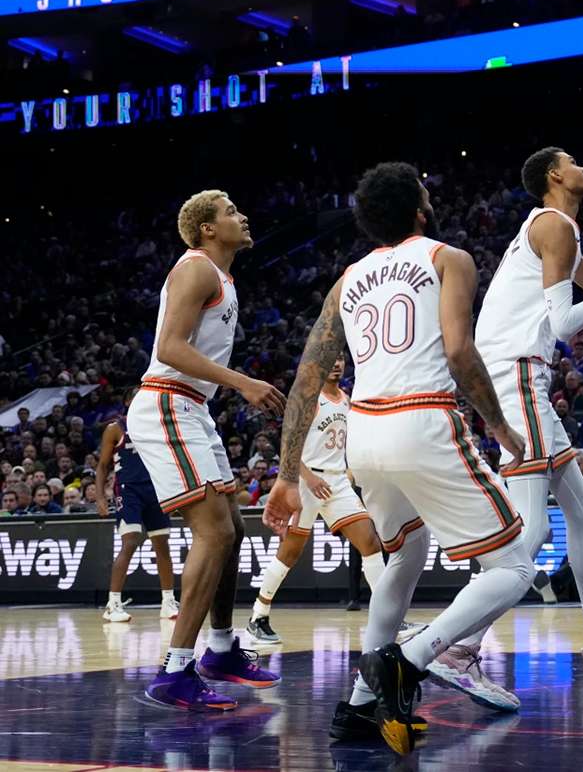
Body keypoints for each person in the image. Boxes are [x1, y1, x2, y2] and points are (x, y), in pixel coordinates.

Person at [261, 163, 527, 753]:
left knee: (406, 551)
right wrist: (499, 424)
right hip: (423, 417)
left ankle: (357, 708)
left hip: (364, 434)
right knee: (515, 567)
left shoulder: (347, 278)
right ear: (419, 209)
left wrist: (284, 477)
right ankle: (411, 657)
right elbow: (458, 351)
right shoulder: (447, 257)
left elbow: (307, 380)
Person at [434, 146, 583, 699]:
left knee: (582, 509)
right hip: (516, 374)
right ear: (553, 177)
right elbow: (566, 324)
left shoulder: (559, 232)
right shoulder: (554, 224)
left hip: (518, 376)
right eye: (574, 161)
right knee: (532, 530)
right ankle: (457, 647)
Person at [131, 190, 286, 711]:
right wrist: (243, 383)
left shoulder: (221, 277)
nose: (242, 216)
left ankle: (219, 650)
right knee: (214, 531)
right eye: (230, 212)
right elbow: (169, 348)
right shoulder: (195, 269)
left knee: (233, 530)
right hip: (168, 403)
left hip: (192, 407)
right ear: (207, 229)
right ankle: (174, 670)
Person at [246, 356, 388, 646]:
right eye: (330, 359)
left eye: (340, 360)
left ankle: (388, 614)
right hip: (305, 482)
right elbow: (288, 444)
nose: (335, 364)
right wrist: (308, 478)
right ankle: (258, 616)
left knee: (370, 541)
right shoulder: (310, 397)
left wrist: (348, 470)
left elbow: (347, 443)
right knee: (290, 552)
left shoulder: (346, 400)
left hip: (336, 481)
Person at [94, 391, 178, 623]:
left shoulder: (158, 427)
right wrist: (100, 497)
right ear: (129, 401)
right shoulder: (115, 428)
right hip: (128, 490)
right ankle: (113, 604)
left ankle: (168, 602)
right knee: (130, 541)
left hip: (155, 490)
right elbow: (102, 466)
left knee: (162, 545)